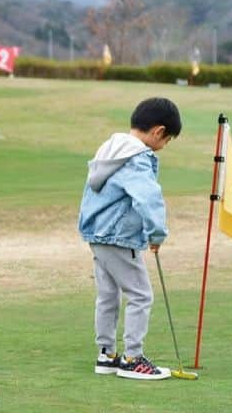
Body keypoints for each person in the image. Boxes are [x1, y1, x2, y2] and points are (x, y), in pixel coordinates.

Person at [77, 97, 182, 381]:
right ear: (158, 131)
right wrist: (157, 233)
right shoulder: (137, 158)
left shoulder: (110, 148)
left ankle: (107, 355)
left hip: (97, 234)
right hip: (119, 236)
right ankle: (132, 358)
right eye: (167, 139)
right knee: (140, 294)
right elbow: (148, 197)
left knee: (108, 295)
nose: (164, 146)